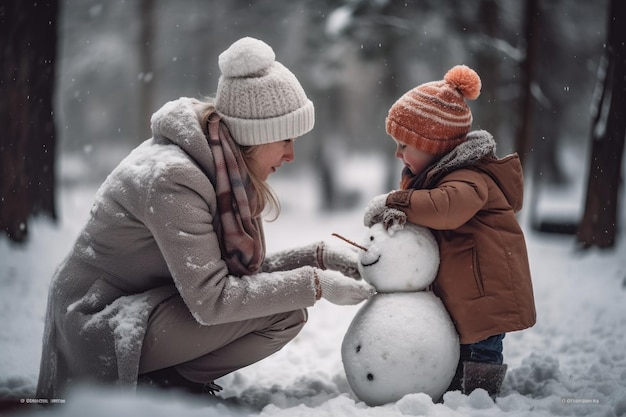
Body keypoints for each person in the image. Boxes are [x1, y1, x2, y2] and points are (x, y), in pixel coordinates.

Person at [36, 37, 374, 400]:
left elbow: (227, 280)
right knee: (286, 311)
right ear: (255, 136)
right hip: (98, 319)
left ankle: (167, 381)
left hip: (147, 303)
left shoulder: (222, 172)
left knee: (288, 309)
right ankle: (164, 384)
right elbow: (213, 300)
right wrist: (316, 285)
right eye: (286, 139)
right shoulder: (174, 179)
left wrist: (317, 257)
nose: (291, 155)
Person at [363, 65, 536, 398]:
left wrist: (395, 201)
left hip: (484, 294)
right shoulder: (441, 175)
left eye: (404, 145)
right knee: (460, 354)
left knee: (479, 352)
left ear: (433, 145)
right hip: (467, 294)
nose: (398, 153)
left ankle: (481, 398)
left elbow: (444, 208)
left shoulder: (469, 179)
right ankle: (463, 392)